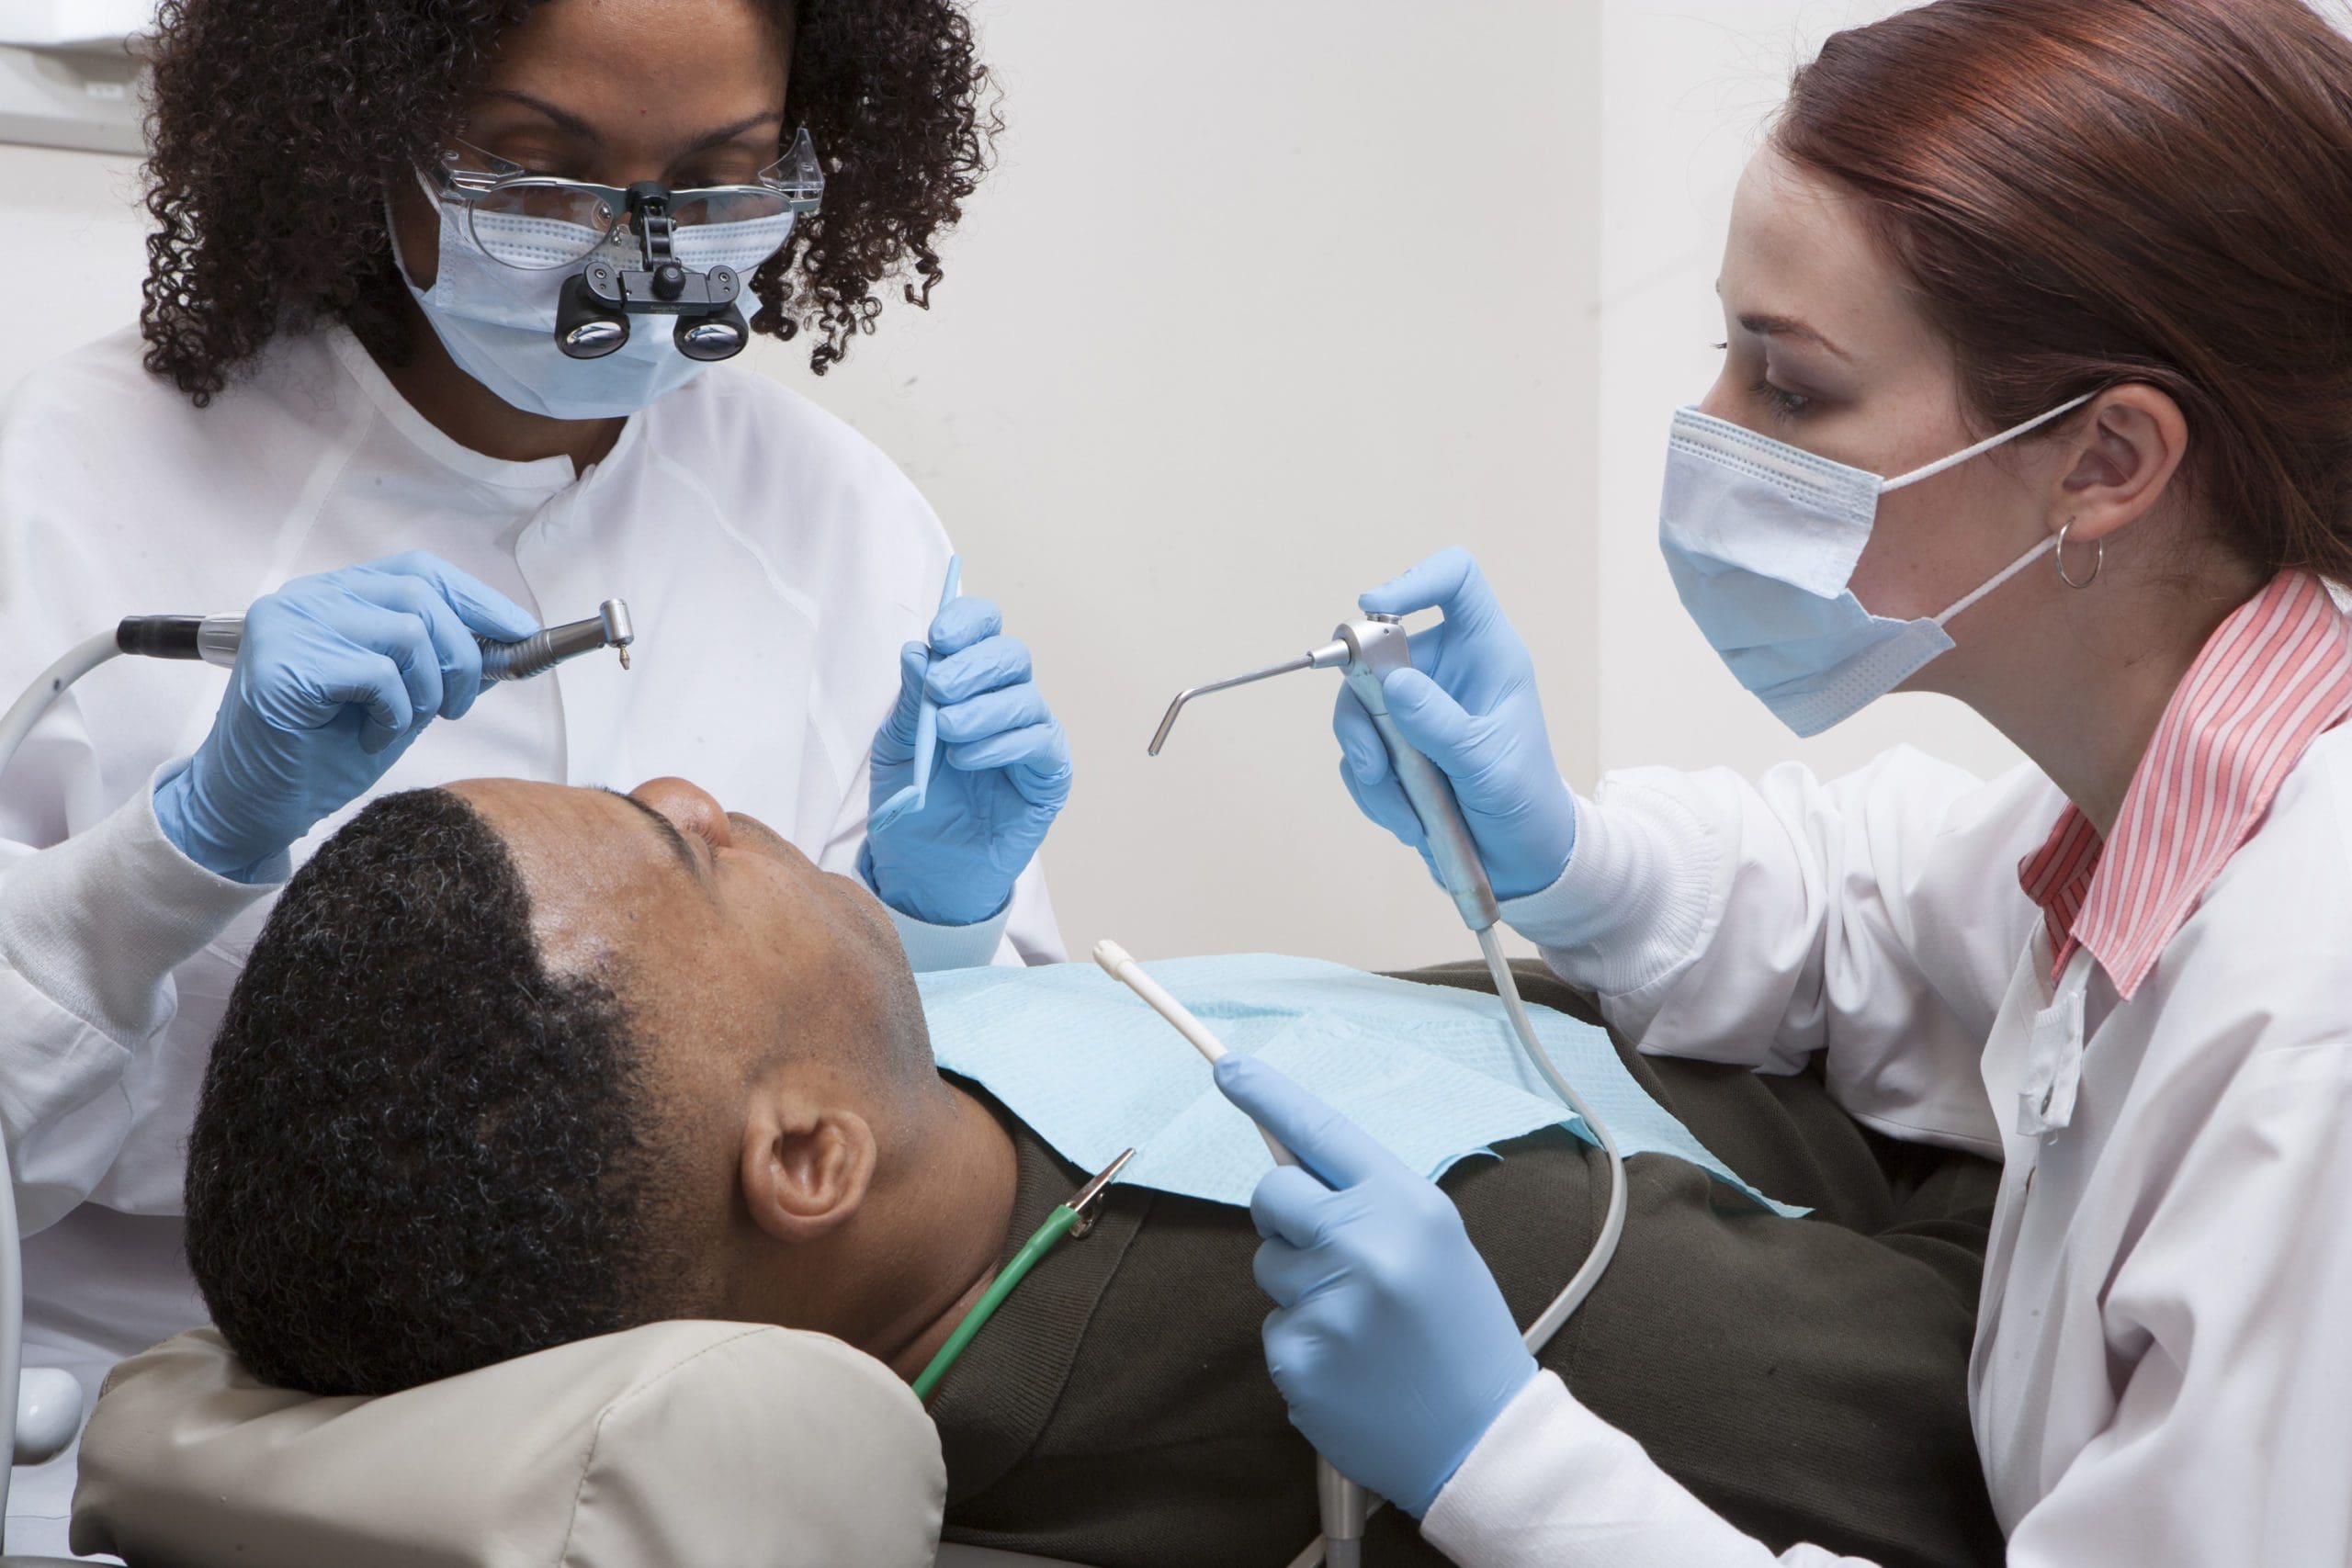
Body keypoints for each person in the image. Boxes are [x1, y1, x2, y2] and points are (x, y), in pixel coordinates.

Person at [1217, 0, 2352, 1562]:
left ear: (2105, 462)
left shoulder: (2312, 1032)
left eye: (1793, 387)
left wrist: (1504, 1462)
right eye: (1726, 354)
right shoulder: (2164, 795)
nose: (1711, 431)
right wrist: (1569, 857)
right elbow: (1877, 909)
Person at [0, 0, 1070, 1548]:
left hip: (708, 1470)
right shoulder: (77, 485)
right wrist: (180, 852)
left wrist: (947, 926)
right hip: (158, 1447)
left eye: (720, 178)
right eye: (537, 171)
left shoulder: (837, 521)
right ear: (364, 126)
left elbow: (916, 1183)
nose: (633, 255)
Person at [180, 775, 2006, 1568]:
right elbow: (2012, 1414)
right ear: (808, 1154)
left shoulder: (957, 1102)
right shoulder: (1501, 1300)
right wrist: (2042, 1028)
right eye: (684, 851)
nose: (707, 790)